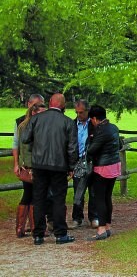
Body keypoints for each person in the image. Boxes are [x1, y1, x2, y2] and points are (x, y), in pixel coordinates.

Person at [22, 93, 78, 245]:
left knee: (39, 198)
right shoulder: (68, 122)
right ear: (63, 105)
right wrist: (72, 166)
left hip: (39, 165)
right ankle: (60, 233)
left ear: (50, 103)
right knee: (58, 199)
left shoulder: (36, 119)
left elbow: (25, 138)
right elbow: (72, 148)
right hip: (59, 166)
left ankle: (38, 235)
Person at [86, 105, 121, 241]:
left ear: (94, 118)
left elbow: (92, 150)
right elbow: (119, 145)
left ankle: (101, 229)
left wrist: (89, 143)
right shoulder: (114, 128)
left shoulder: (101, 130)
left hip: (102, 167)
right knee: (108, 197)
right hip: (114, 165)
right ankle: (107, 226)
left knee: (99, 198)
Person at [13, 99, 46, 237]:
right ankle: (34, 227)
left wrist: (17, 163)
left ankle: (21, 228)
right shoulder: (33, 127)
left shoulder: (21, 125)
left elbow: (17, 145)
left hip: (26, 165)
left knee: (28, 195)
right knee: (34, 196)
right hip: (34, 166)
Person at [70, 99, 98, 230]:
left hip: (92, 161)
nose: (79, 115)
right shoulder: (71, 124)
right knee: (78, 192)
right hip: (78, 161)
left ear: (88, 111)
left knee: (93, 191)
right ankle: (77, 217)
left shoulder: (94, 124)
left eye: (81, 112)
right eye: (77, 112)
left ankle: (94, 217)